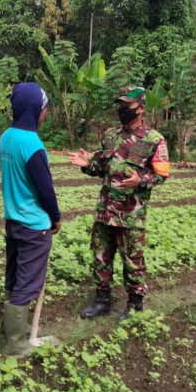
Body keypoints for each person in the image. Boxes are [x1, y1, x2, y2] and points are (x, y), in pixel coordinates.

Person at [68, 86, 169, 322]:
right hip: (105, 212)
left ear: (141, 108)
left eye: (128, 107)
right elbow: (100, 167)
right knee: (101, 257)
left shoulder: (155, 140)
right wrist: (87, 163)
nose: (122, 110)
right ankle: (102, 301)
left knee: (132, 261)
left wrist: (141, 179)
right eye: (121, 106)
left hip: (131, 214)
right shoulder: (110, 135)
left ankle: (135, 305)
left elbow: (162, 174)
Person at [0, 82, 62, 356]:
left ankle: (12, 331)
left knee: (13, 277)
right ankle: (18, 344)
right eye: (44, 108)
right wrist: (56, 217)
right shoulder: (33, 145)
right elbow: (45, 189)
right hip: (34, 225)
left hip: (13, 220)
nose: (46, 113)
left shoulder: (6, 137)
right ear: (35, 109)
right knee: (28, 281)